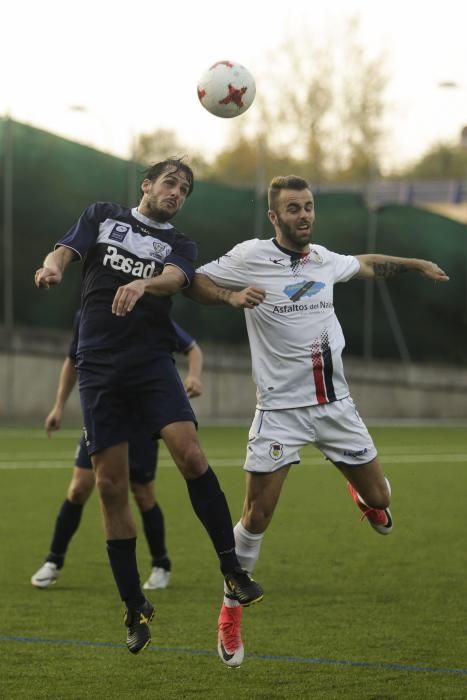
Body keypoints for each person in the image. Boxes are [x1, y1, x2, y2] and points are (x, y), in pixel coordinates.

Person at [187, 173, 450, 667]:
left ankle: (362, 495)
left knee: (382, 500)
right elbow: (193, 280)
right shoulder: (249, 256)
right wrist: (229, 297)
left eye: (308, 206)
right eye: (294, 208)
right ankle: (229, 614)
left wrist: (415, 264)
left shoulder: (324, 259)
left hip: (336, 408)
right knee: (256, 518)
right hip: (280, 413)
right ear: (274, 216)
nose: (304, 215)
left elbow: (369, 265)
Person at [34, 158, 263, 655]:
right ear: (147, 184)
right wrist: (50, 267)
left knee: (192, 455)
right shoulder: (103, 214)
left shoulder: (180, 244)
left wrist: (143, 283)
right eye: (170, 183)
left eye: (184, 189)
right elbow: (63, 252)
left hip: (151, 362)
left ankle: (232, 568)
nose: (177, 192)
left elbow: (177, 279)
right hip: (97, 367)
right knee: (111, 487)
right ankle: (134, 606)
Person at [31, 311, 203, 592]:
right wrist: (59, 405)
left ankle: (161, 564)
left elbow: (192, 348)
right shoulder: (88, 312)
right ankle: (54, 560)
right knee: (78, 489)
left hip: (141, 421)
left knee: (142, 492)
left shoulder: (147, 308)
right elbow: (73, 359)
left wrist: (194, 377)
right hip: (103, 417)